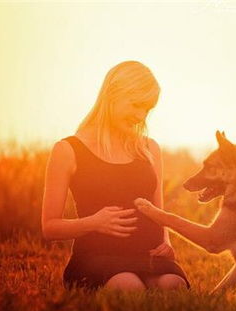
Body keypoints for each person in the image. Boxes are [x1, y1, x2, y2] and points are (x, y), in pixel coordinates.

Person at [41, 60, 190, 292]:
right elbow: (49, 227)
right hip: (97, 258)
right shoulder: (67, 150)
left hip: (148, 257)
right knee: (129, 287)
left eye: (147, 109)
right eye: (136, 105)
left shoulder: (150, 149)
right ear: (112, 95)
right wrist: (93, 223)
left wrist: (166, 241)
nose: (141, 115)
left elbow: (158, 211)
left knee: (174, 286)